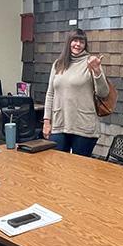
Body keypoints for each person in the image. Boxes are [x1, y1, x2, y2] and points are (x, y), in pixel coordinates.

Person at [42, 28, 109, 157]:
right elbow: (50, 94)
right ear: (69, 42)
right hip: (59, 124)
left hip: (83, 126)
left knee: (79, 171)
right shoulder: (58, 64)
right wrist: (46, 122)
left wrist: (97, 71)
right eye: (75, 40)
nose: (78, 44)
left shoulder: (91, 62)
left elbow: (103, 93)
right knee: (57, 165)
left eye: (82, 42)